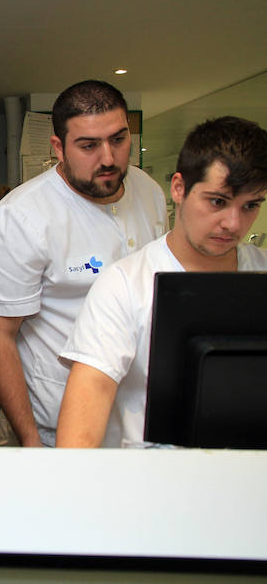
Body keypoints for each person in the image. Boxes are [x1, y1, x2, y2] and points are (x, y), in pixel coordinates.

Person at [57, 116, 267, 448]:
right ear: (179, 188)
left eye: (251, 206)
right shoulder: (126, 284)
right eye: (217, 201)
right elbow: (83, 420)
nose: (232, 223)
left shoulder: (261, 275)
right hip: (150, 481)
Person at [0, 80, 167, 447]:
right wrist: (30, 441)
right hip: (51, 422)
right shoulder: (21, 217)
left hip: (134, 423)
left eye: (118, 139)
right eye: (89, 145)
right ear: (58, 148)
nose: (108, 158)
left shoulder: (149, 193)